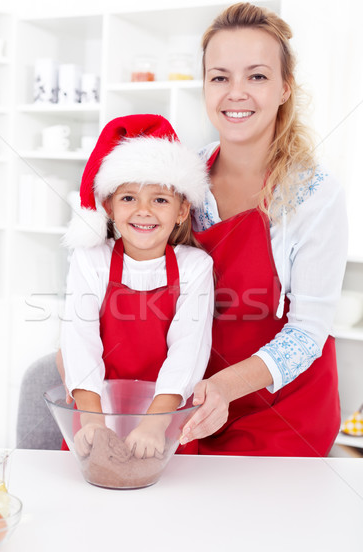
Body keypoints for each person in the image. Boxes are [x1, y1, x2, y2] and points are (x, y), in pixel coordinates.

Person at [178, 2, 348, 456]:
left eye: (256, 76)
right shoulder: (181, 179)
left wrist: (223, 387)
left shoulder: (314, 194)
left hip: (284, 411)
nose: (236, 93)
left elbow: (308, 332)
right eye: (220, 77)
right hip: (192, 400)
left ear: (284, 89)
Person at [60, 113, 214, 459]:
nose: (143, 211)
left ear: (181, 210)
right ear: (109, 207)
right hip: (95, 414)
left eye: (159, 199)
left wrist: (155, 424)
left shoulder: (195, 267)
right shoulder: (91, 260)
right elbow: (79, 340)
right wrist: (92, 419)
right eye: (129, 198)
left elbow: (187, 351)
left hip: (164, 422)